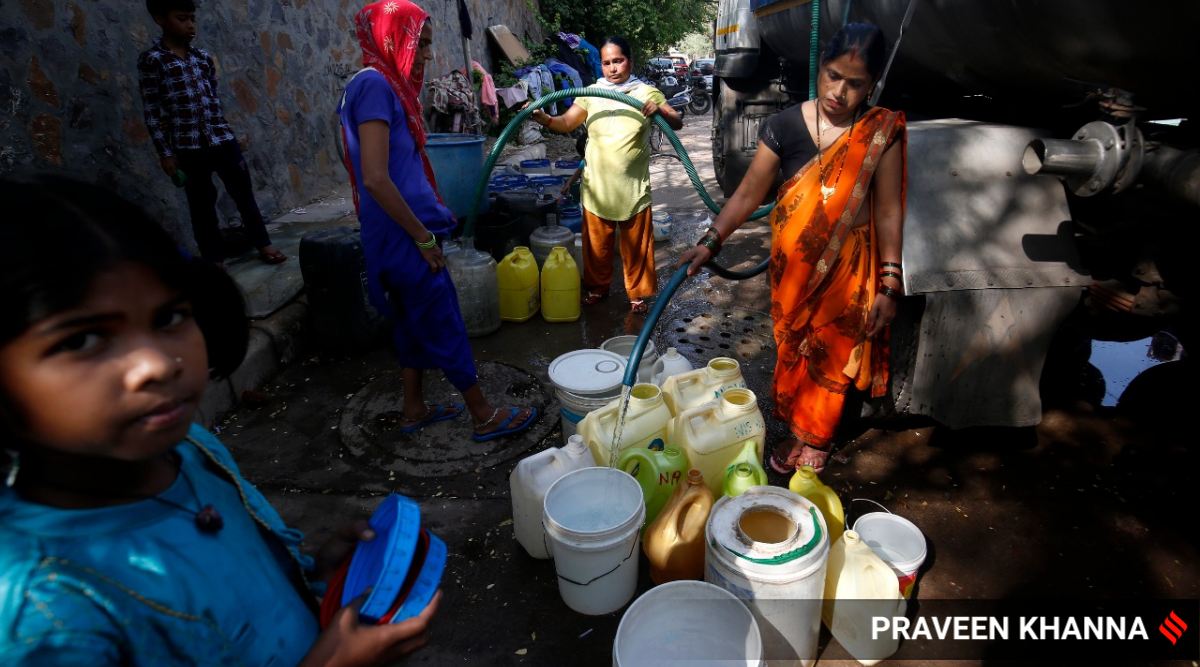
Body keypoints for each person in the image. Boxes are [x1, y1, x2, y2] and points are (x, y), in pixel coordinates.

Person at [0, 177, 438, 665]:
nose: (158, 365)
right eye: (81, 341)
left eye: (168, 318)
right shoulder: (47, 618)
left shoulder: (190, 450)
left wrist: (311, 569)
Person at [679, 23, 907, 474]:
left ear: (872, 86)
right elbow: (747, 195)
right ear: (819, 68)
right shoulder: (782, 125)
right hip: (794, 271)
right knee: (793, 349)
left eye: (855, 83)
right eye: (833, 76)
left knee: (831, 355)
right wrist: (710, 241)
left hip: (849, 271)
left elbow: (887, 211)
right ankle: (794, 426)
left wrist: (890, 279)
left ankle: (815, 438)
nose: (840, 91)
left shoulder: (880, 131)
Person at [338, 1, 538, 440]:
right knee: (442, 319)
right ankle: (483, 414)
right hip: (404, 236)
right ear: (391, 38)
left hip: (399, 232)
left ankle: (414, 408)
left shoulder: (379, 86)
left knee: (411, 319)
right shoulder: (373, 86)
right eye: (420, 43)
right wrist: (422, 237)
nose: (427, 55)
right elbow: (374, 176)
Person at [529, 37, 683, 314]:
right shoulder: (591, 92)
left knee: (636, 251)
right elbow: (567, 123)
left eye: (618, 60)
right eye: (607, 62)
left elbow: (677, 120)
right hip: (597, 189)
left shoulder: (645, 92)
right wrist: (546, 120)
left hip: (633, 190)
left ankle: (637, 296)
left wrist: (658, 109)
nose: (612, 68)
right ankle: (598, 289)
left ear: (630, 61)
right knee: (596, 250)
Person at [137, 0, 287, 267]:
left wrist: (226, 132)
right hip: (188, 146)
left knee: (244, 195)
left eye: (192, 18)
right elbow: (152, 111)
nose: (190, 25)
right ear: (160, 19)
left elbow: (212, 97)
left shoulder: (202, 58)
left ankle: (263, 243)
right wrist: (166, 152)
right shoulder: (153, 60)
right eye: (182, 18)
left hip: (220, 138)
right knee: (202, 206)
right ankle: (213, 260)